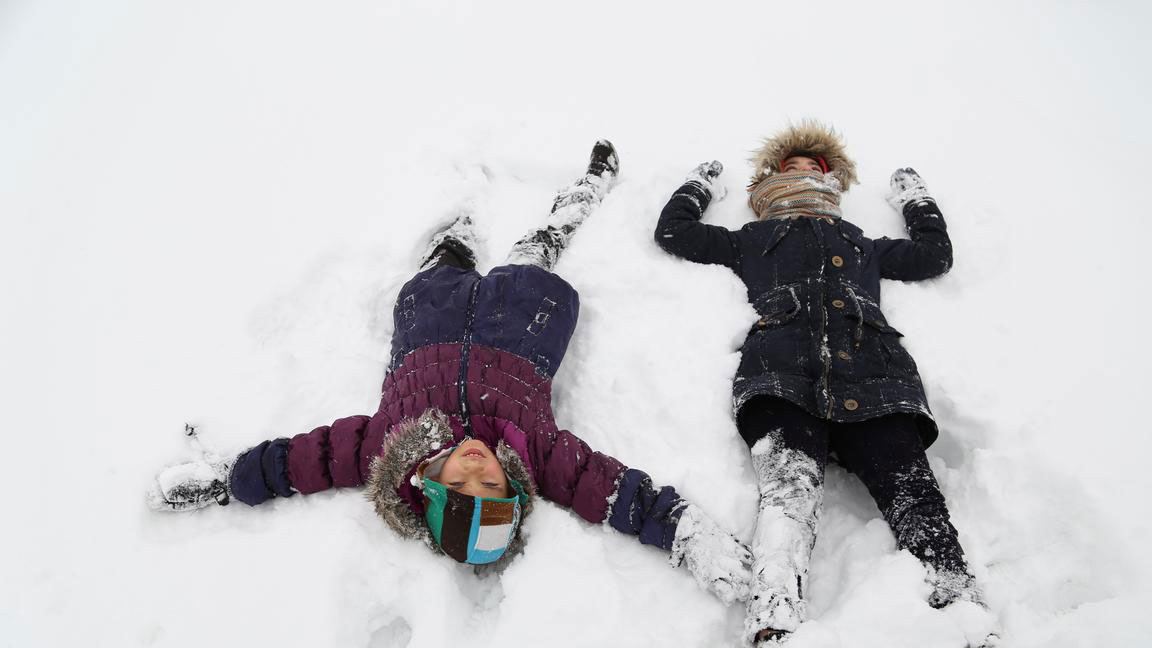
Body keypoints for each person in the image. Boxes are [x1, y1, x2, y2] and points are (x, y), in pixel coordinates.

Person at [148, 141, 753, 605]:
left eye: (461, 488)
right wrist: (686, 533)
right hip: (520, 320)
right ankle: (587, 190)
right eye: (494, 488)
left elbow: (302, 461)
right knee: (539, 247)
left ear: (430, 488)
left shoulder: (383, 447)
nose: (477, 471)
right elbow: (614, 491)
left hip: (432, 320)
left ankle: (455, 240)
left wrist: (232, 480)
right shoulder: (537, 454)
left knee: (441, 266)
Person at [654, 122, 984, 644]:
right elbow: (675, 233)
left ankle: (962, 610)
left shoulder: (861, 243)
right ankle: (773, 622)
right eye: (794, 168)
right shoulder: (753, 239)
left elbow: (933, 257)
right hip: (781, 379)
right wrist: (699, 185)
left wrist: (916, 201)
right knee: (788, 497)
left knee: (915, 498)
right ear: (773, 179)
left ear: (834, 182)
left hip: (876, 381)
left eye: (817, 169)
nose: (806, 173)